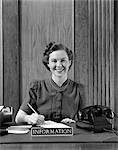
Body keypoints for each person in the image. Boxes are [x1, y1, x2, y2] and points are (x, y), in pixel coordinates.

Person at [15, 42, 86, 125]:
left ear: (69, 62)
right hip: (41, 136)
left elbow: (86, 120)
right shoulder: (36, 88)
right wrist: (29, 118)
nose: (59, 65)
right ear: (48, 63)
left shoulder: (80, 90)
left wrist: (75, 122)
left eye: (63, 60)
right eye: (54, 61)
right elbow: (18, 118)